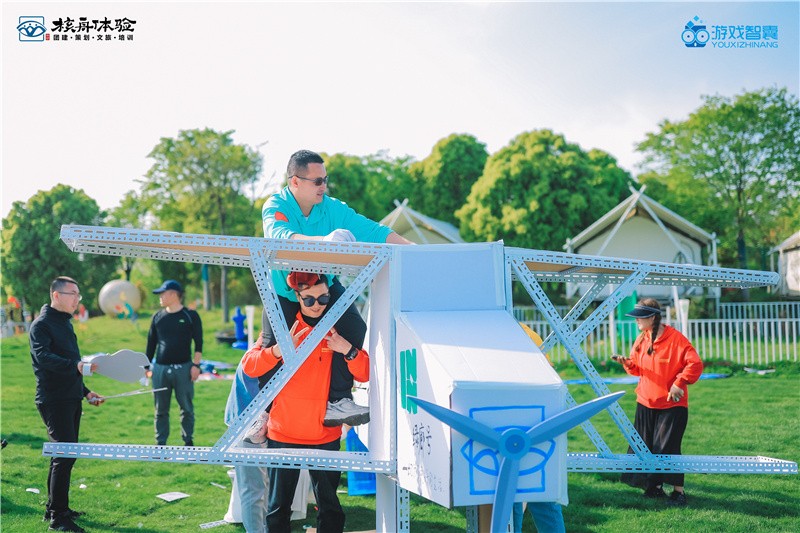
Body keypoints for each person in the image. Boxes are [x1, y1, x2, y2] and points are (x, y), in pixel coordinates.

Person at [260, 149, 411, 427]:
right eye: (317, 181)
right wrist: (325, 242)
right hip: (284, 291)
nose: (324, 186)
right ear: (295, 181)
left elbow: (374, 231)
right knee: (273, 347)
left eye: (325, 180)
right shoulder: (276, 205)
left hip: (324, 286)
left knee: (354, 328)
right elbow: (280, 237)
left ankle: (337, 400)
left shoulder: (332, 208)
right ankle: (263, 413)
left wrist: (414, 249)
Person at [242, 272, 370, 533]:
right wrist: (278, 350)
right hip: (283, 433)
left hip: (324, 434)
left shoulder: (337, 330)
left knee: (331, 509)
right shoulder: (281, 329)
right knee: (278, 510)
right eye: (309, 300)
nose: (317, 305)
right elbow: (249, 366)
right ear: (297, 297)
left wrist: (348, 350)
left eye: (323, 298)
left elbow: (365, 372)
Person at [30, 276, 104, 532]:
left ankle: (55, 507)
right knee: (64, 455)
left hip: (71, 397)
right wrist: (76, 366)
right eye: (72, 294)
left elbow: (73, 366)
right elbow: (43, 357)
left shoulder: (64, 323)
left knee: (65, 455)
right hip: (54, 399)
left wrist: (86, 393)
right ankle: (58, 517)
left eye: (78, 295)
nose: (77, 299)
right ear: (56, 295)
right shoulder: (41, 325)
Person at [613, 298, 703, 506]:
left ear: (652, 318)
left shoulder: (676, 339)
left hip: (672, 405)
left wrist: (679, 383)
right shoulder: (641, 339)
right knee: (645, 447)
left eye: (640, 317)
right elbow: (637, 368)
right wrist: (627, 364)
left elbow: (695, 364)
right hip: (645, 401)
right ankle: (654, 487)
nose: (636, 320)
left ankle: (679, 492)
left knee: (667, 447)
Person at [512, 322, 566, 533]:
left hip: (522, 422)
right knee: (541, 494)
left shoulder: (515, 332)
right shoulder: (525, 332)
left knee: (514, 497)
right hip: (537, 421)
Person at [145, 280, 203, 446]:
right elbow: (151, 344)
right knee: (160, 410)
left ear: (173, 294)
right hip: (160, 369)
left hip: (184, 369)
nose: (160, 297)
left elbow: (199, 343)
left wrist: (196, 366)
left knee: (186, 408)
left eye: (162, 294)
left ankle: (188, 442)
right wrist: (146, 367)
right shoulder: (157, 317)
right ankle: (160, 445)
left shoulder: (190, 315)